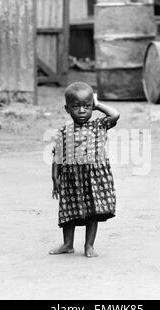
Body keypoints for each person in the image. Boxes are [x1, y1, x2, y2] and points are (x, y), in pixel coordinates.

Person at [49, 82, 120, 258]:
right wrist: (54, 178)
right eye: (76, 107)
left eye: (87, 106)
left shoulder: (99, 125)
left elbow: (115, 115)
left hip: (94, 177)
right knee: (68, 211)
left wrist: (98, 105)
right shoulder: (63, 132)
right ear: (67, 109)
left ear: (92, 107)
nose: (82, 111)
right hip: (70, 177)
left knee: (93, 212)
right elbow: (57, 156)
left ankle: (89, 245)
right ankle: (67, 244)